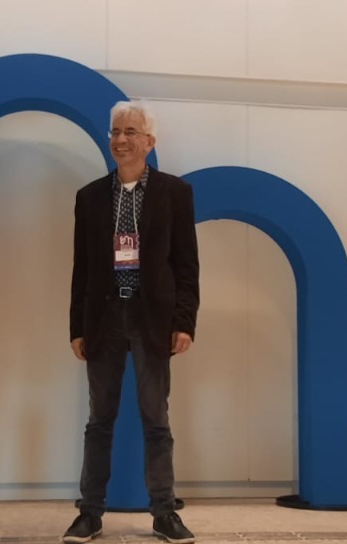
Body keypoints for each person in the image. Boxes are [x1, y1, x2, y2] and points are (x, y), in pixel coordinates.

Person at [63, 102, 200, 544]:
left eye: (131, 132)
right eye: (115, 132)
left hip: (151, 318)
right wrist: (77, 327)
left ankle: (164, 513)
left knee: (155, 418)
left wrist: (184, 321)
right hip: (104, 318)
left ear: (149, 142)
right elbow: (82, 267)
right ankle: (89, 514)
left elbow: (186, 264)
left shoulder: (175, 192)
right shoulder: (89, 197)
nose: (120, 140)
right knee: (99, 420)